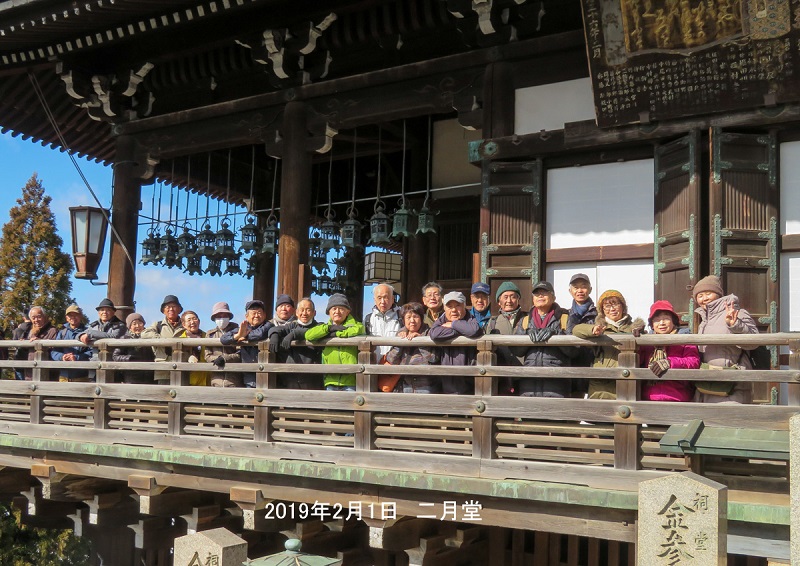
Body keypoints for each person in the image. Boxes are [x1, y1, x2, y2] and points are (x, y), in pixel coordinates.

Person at [693, 275, 758, 404]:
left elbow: (754, 342)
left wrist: (735, 325)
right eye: (700, 296)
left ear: (718, 294)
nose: (704, 298)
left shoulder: (736, 312)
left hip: (733, 384)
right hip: (708, 383)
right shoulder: (704, 321)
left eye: (708, 293)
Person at [572, 290, 645, 399]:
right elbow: (576, 330)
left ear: (623, 307)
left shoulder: (634, 328)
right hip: (601, 387)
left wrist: (641, 333)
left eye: (616, 304)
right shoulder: (600, 327)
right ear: (602, 310)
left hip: (627, 383)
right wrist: (593, 330)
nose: (612, 309)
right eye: (607, 306)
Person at [513, 281, 574, 397]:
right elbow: (517, 351)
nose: (540, 296)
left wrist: (557, 334)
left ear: (553, 297)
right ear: (533, 299)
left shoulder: (565, 318)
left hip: (556, 383)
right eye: (537, 294)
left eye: (544, 293)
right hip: (529, 383)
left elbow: (574, 351)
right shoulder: (525, 320)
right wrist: (527, 335)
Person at [639, 300, 699, 402]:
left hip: (678, 398)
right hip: (648, 399)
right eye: (657, 320)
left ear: (673, 321)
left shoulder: (685, 339)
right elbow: (637, 360)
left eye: (666, 318)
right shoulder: (647, 343)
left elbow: (694, 361)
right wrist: (636, 338)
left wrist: (670, 363)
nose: (661, 323)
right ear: (652, 325)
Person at [305, 294, 365, 391]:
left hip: (350, 381)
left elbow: (355, 330)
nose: (337, 311)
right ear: (329, 312)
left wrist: (334, 333)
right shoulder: (324, 328)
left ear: (347, 312)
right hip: (330, 380)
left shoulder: (357, 326)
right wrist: (329, 329)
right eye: (334, 309)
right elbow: (309, 335)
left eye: (341, 309)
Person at [430, 291, 482, 394]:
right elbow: (434, 334)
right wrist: (461, 330)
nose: (453, 310)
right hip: (446, 380)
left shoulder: (470, 318)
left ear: (464, 306)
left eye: (457, 305)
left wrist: (453, 324)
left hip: (468, 380)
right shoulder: (442, 319)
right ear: (444, 308)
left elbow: (473, 330)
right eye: (449, 306)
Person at [267, 297, 323, 389]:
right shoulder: (292, 325)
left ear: (314, 313)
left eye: (308, 310)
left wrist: (295, 334)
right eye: (302, 310)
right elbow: (276, 329)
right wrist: (274, 335)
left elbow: (313, 332)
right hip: (291, 379)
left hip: (312, 380)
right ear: (296, 312)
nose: (304, 313)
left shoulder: (320, 326)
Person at [385, 302, 440, 393]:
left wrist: (421, 341)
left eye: (415, 316)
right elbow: (391, 360)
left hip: (427, 386)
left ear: (421, 318)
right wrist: (399, 342)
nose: (412, 320)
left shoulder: (430, 333)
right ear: (403, 320)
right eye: (408, 317)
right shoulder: (400, 333)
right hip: (404, 385)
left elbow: (434, 358)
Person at [220, 300, 273, 388]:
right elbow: (223, 339)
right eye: (253, 313)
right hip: (249, 375)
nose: (256, 315)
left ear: (264, 315)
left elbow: (259, 334)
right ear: (246, 316)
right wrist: (237, 336)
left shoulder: (269, 325)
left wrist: (244, 336)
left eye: (259, 313)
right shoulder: (244, 327)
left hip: (268, 373)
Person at [485, 281, 525, 394]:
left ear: (518, 299)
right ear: (499, 301)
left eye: (513, 297)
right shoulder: (493, 322)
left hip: (524, 373)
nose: (509, 301)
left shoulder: (527, 318)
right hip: (501, 375)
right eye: (505, 297)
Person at [141, 295, 184, 384]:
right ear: (163, 310)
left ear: (179, 309)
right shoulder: (158, 325)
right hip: (163, 369)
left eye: (174, 306)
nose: (171, 309)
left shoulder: (185, 325)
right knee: (163, 392)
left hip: (182, 368)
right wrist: (162, 340)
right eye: (168, 307)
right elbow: (144, 334)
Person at [565, 274, 598, 377]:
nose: (580, 291)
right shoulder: (564, 315)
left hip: (595, 364)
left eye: (583, 287)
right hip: (570, 366)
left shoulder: (599, 314)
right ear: (570, 291)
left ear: (590, 289)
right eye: (576, 287)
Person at [204, 302, 243, 388]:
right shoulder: (210, 334)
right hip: (216, 380)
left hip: (235, 380)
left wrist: (225, 358)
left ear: (229, 317)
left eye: (225, 315)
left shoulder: (238, 332)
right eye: (218, 316)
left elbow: (240, 353)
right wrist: (217, 359)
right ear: (214, 318)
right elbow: (207, 356)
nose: (222, 319)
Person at [51, 304, 92, 382]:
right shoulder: (62, 333)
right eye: (70, 315)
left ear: (81, 316)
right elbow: (54, 352)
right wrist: (62, 357)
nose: (73, 317)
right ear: (66, 318)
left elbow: (92, 352)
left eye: (75, 315)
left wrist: (77, 357)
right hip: (63, 376)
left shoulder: (88, 332)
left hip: (82, 376)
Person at [112, 313, 155, 384]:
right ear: (129, 326)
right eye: (134, 324)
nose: (137, 326)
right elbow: (115, 356)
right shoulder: (125, 339)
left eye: (140, 323)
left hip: (149, 375)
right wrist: (129, 358)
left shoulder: (149, 337)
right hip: (131, 376)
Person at [363, 283, 402, 361]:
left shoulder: (402, 317)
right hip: (374, 364)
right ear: (374, 300)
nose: (382, 301)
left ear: (392, 299)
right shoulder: (368, 319)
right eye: (379, 298)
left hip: (395, 365)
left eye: (385, 297)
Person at [174, 310, 209, 386]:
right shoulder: (179, 339)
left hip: (206, 379)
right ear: (183, 324)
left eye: (194, 319)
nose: (192, 322)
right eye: (189, 320)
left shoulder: (207, 336)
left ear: (199, 321)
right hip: (187, 380)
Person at [24, 306, 59, 380]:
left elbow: (55, 351)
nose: (36, 320)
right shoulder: (29, 331)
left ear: (45, 317)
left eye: (39, 317)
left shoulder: (53, 330)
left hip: (47, 372)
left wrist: (40, 343)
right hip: (30, 371)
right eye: (33, 318)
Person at [11, 315, 32, 380]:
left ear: (24, 318)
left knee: (20, 381)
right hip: (32, 357)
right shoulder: (36, 327)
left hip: (20, 357)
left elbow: (14, 343)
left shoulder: (18, 329)